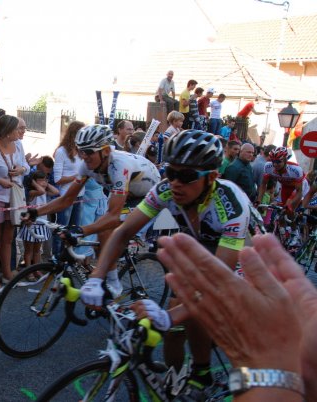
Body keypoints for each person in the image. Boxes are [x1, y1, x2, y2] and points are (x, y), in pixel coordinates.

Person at [80, 130, 251, 400]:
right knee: (174, 327)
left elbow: (218, 279)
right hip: (196, 248)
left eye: (185, 176)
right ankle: (178, 382)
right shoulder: (165, 190)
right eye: (171, 172)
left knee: (202, 311)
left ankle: (214, 374)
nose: (175, 183)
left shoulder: (231, 204)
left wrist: (169, 316)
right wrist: (97, 276)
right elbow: (123, 233)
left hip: (236, 257)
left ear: (211, 177)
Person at [141, 233, 316, 402]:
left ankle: (202, 372)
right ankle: (184, 374)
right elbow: (124, 231)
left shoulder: (232, 208)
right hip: (206, 244)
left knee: (207, 311)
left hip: (233, 250)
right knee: (177, 324)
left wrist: (267, 370)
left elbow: (215, 287)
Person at [23, 125, 161, 285]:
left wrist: (81, 230)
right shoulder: (87, 165)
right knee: (100, 240)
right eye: (81, 151)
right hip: (128, 192)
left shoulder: (119, 165)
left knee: (105, 228)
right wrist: (35, 213)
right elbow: (66, 199)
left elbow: (113, 216)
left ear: (106, 151)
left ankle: (113, 284)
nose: (83, 157)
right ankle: (105, 275)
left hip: (147, 195)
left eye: (88, 152)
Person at [0, 115, 29, 292]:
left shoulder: (18, 146)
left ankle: (8, 273)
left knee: (8, 238)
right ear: (8, 132)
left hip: (14, 197)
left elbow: (26, 166)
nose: (22, 132)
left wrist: (22, 169)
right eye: (19, 128)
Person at [52, 120, 85, 256]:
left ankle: (68, 259)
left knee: (74, 231)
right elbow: (57, 179)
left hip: (80, 195)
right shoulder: (61, 151)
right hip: (66, 195)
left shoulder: (81, 151)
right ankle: (56, 259)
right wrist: (77, 177)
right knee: (62, 229)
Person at [16, 170, 59, 276]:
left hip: (41, 224)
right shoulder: (31, 192)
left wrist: (46, 183)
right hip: (31, 224)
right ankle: (28, 271)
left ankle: (36, 269)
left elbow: (56, 192)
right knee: (29, 250)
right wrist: (34, 183)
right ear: (34, 182)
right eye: (41, 180)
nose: (44, 182)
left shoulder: (44, 190)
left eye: (45, 180)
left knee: (37, 250)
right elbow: (41, 191)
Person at [257, 146, 305, 214]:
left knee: (289, 211)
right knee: (282, 212)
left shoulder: (295, 170)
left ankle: (293, 220)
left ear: (285, 160)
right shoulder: (268, 166)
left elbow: (299, 192)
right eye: (273, 161)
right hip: (285, 186)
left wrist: (290, 203)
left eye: (278, 161)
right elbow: (263, 184)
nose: (275, 164)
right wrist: (259, 200)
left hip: (298, 187)